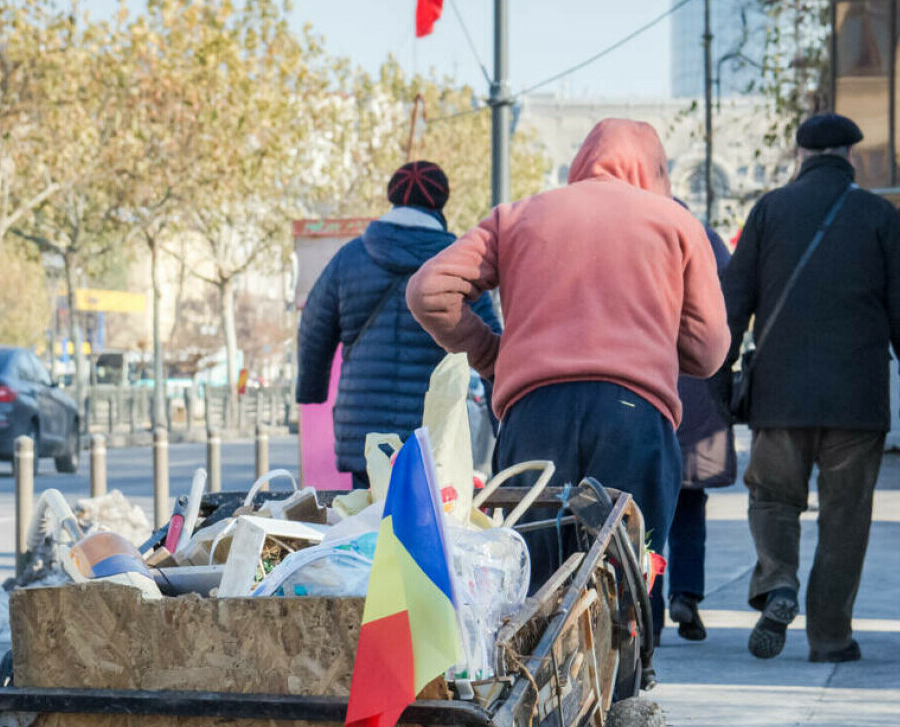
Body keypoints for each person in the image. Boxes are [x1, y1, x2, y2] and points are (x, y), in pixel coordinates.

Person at [407, 119, 729, 579]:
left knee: (535, 582)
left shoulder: (516, 216)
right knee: (627, 574)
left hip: (534, 415)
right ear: (656, 171)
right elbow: (709, 349)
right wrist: (649, 340)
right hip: (634, 416)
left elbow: (429, 291)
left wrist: (492, 355)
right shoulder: (676, 222)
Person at [721, 113, 900, 663]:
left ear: (801, 155)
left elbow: (733, 302)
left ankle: (778, 582)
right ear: (850, 156)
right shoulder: (878, 216)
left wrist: (718, 382)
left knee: (772, 497)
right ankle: (831, 636)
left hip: (779, 396)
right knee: (846, 517)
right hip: (856, 401)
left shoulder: (769, 210)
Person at [296, 161, 500, 487]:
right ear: (441, 201)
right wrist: (501, 416)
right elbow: (492, 343)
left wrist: (311, 389)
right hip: (432, 429)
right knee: (430, 514)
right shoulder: (455, 262)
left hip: (363, 428)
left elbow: (313, 327)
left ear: (392, 196)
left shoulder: (350, 258)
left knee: (367, 514)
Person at [665, 216, 738, 642]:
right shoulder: (704, 237)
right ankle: (686, 595)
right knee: (690, 502)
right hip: (698, 386)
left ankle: (646, 611)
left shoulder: (630, 227)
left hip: (646, 383)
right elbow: (732, 298)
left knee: (641, 507)